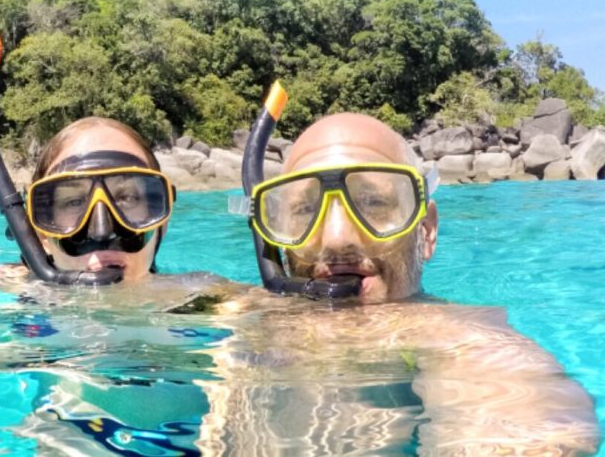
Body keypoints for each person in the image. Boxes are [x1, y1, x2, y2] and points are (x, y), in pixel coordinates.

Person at [197, 95, 601, 454]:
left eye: (372, 202)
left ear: (426, 231)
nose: (335, 239)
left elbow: (527, 420)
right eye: (304, 210)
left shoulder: (463, 343)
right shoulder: (239, 306)